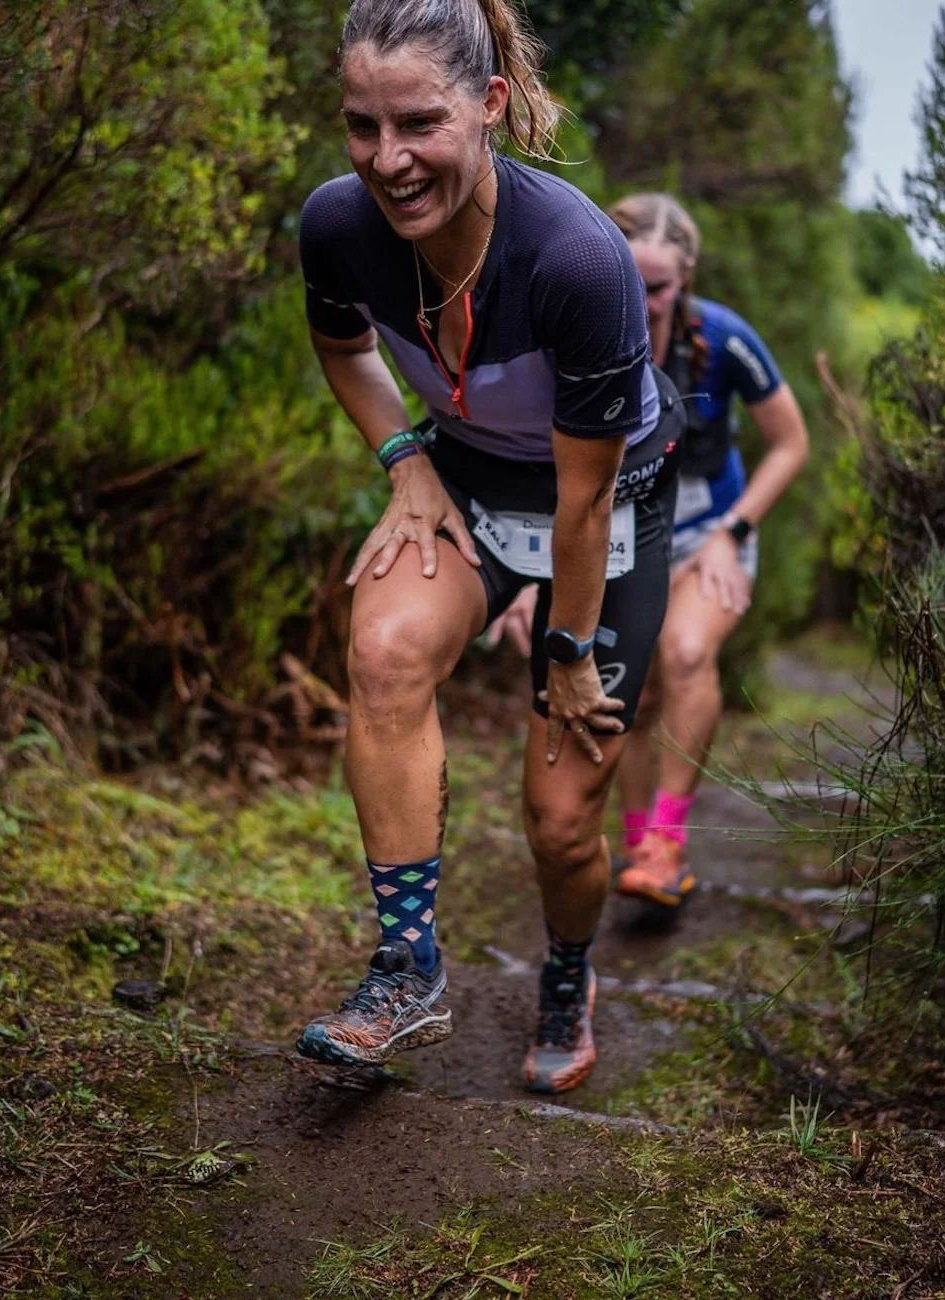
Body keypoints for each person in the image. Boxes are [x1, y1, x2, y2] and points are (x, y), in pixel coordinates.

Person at [293, 0, 683, 1094]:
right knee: (383, 652)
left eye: (419, 123)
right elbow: (344, 349)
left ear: (488, 105)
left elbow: (582, 501)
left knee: (560, 824)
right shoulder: (337, 225)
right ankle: (406, 968)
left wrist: (566, 651)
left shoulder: (577, 259)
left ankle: (566, 971)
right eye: (362, 126)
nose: (388, 160)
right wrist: (405, 463)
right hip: (465, 477)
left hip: (599, 507)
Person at [489, 196, 809, 907]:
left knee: (686, 652)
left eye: (658, 287)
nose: (643, 301)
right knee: (633, 688)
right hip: (609, 528)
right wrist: (524, 575)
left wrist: (733, 534)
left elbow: (791, 442)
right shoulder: (574, 332)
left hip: (706, 530)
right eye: (629, 283)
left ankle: (667, 838)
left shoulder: (724, 339)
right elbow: (543, 464)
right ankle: (638, 841)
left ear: (686, 276)